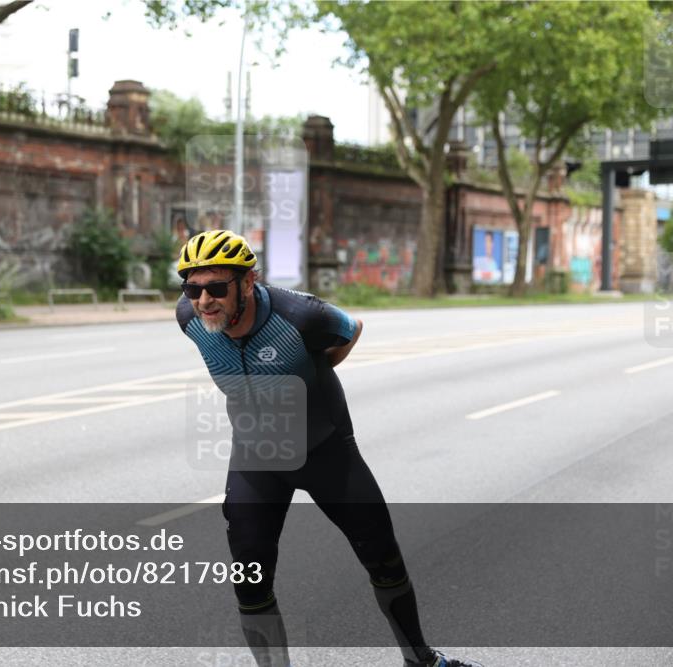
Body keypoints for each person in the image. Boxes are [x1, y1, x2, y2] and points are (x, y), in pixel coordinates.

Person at [175, 229, 483, 667]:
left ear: (247, 282)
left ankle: (422, 661)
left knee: (384, 560)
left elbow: (352, 329)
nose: (204, 300)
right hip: (256, 458)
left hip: (325, 450)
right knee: (250, 581)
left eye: (216, 288)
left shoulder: (300, 314)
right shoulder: (188, 318)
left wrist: (314, 368)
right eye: (192, 288)